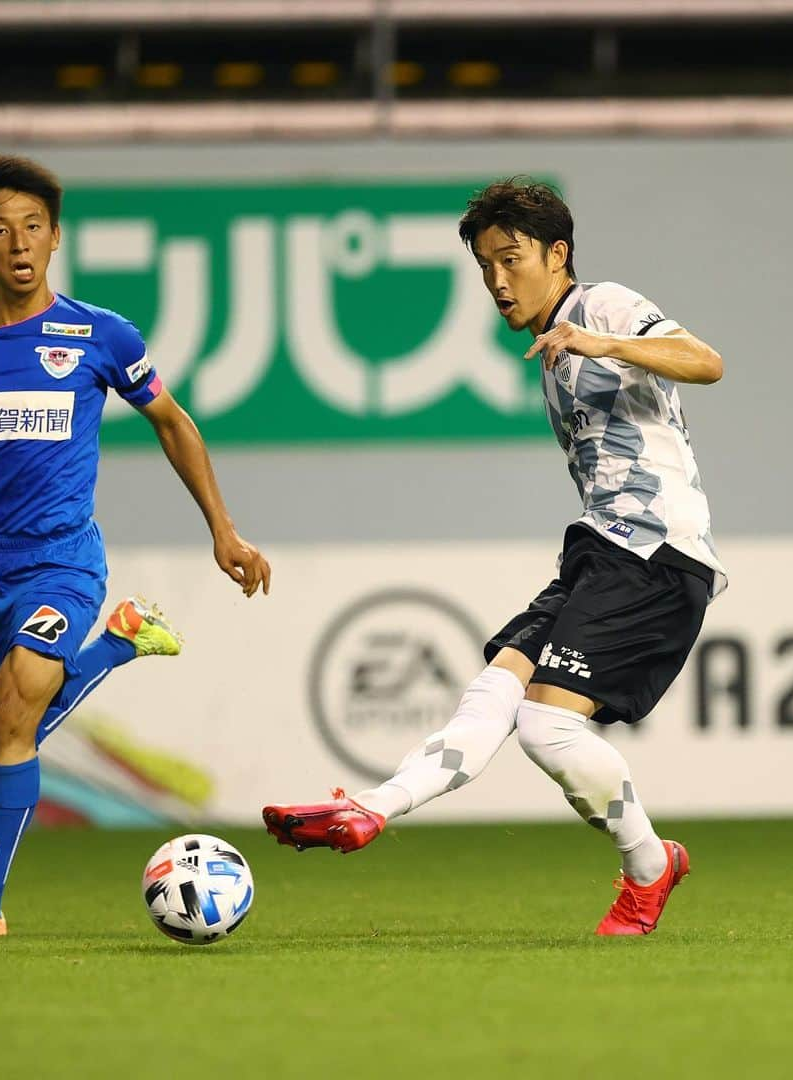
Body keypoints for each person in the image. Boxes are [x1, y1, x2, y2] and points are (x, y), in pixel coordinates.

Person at [263, 178, 727, 936]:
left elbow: (705, 362)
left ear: (558, 254)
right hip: (601, 551)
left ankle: (650, 867)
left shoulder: (599, 306)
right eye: (485, 267)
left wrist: (599, 339)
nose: (497, 282)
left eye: (511, 260)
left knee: (548, 727)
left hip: (656, 553)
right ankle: (372, 809)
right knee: (492, 695)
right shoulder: (549, 352)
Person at [0, 153, 270, 938]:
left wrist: (222, 529)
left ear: (55, 237)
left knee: (19, 709)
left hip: (62, 562)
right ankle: (119, 645)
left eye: (32, 228)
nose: (18, 244)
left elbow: (172, 421)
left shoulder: (99, 335)